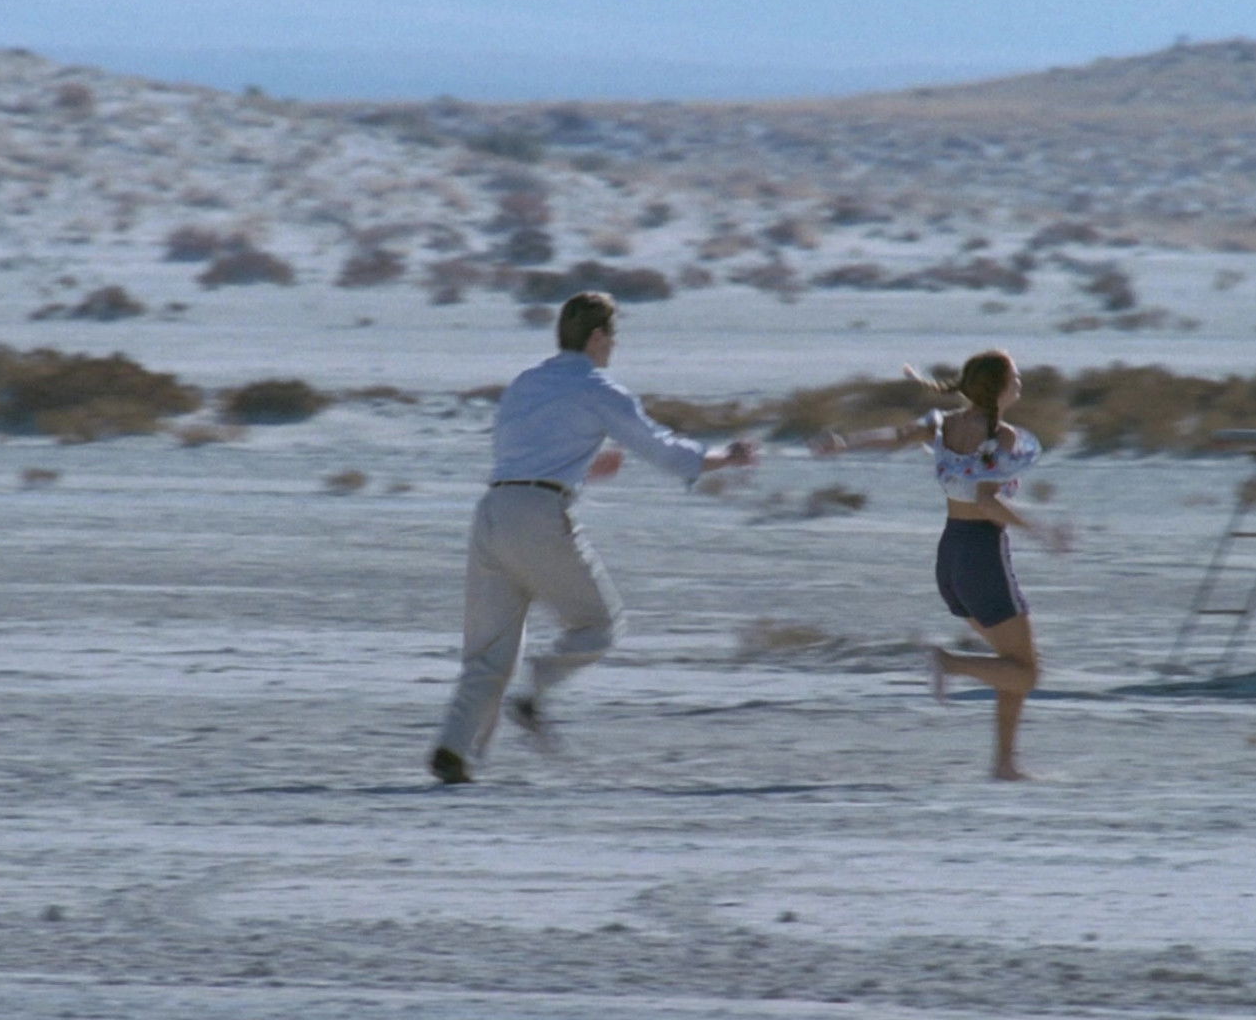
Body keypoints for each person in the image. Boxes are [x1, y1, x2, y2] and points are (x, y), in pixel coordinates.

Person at [429, 291, 759, 784]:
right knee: (599, 624)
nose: (615, 346)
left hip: (493, 512)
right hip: (540, 516)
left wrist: (579, 469)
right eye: (614, 336)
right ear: (598, 336)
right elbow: (666, 452)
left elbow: (523, 454)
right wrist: (725, 458)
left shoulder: (526, 382)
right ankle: (533, 691)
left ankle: (454, 750)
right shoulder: (599, 388)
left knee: (488, 653)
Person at [810, 349, 1043, 780]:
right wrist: (1040, 530)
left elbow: (896, 435)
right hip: (983, 556)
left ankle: (1005, 763)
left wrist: (843, 443)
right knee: (1026, 673)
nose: (1020, 382)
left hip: (950, 556)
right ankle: (948, 662)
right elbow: (987, 501)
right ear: (997, 386)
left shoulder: (943, 423)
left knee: (1009, 664)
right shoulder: (1001, 436)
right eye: (1014, 376)